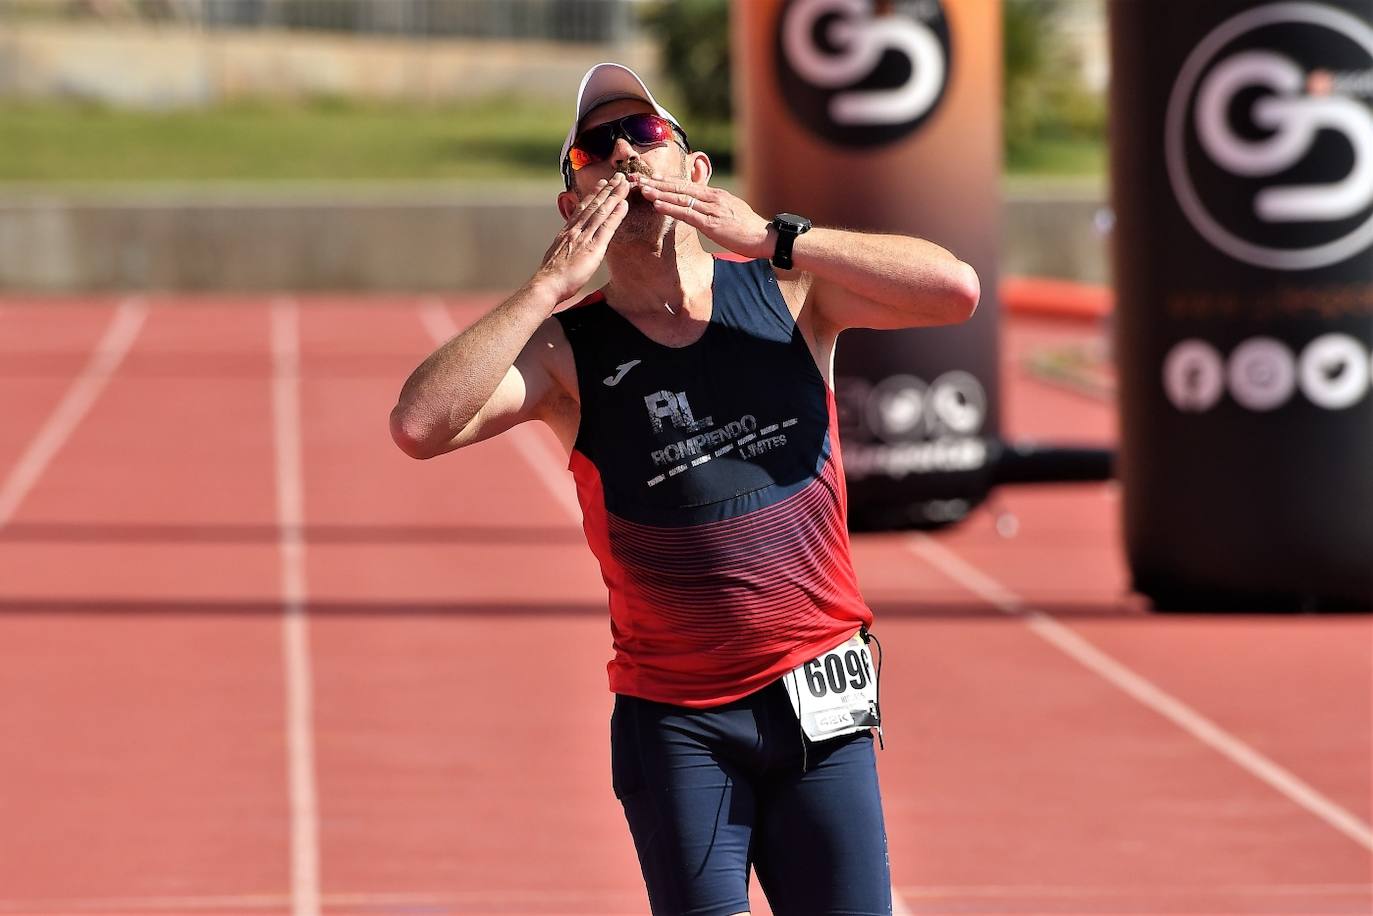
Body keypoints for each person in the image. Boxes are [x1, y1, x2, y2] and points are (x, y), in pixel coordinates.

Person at [390, 62, 979, 916]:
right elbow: (419, 424)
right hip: (680, 721)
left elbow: (954, 289)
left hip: (819, 700)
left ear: (695, 172)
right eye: (596, 147)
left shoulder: (788, 288)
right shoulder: (566, 351)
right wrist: (547, 286)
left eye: (649, 134)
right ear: (573, 202)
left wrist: (775, 235)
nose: (626, 152)